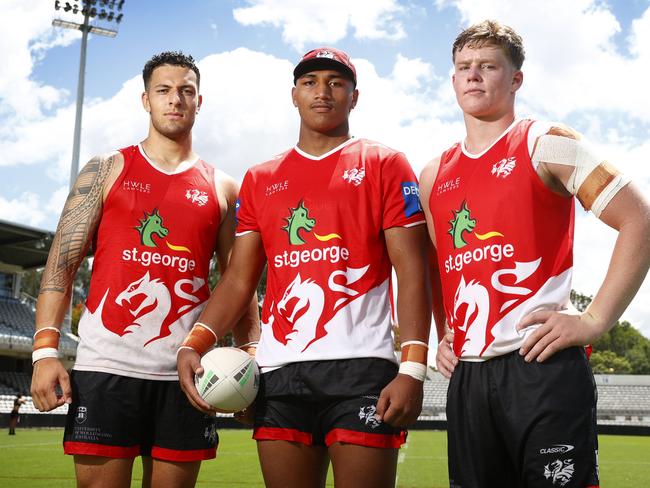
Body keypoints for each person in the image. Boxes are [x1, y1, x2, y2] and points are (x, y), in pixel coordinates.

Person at [177, 47, 431, 488]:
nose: (322, 92)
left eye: (336, 83)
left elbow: (412, 269)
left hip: (361, 369)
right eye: (310, 82)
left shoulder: (385, 164)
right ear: (293, 95)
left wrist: (411, 368)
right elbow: (239, 278)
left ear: (354, 97)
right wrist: (193, 343)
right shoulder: (259, 177)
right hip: (280, 375)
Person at [420, 20, 650, 488]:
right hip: (468, 379)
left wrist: (593, 320)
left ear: (516, 79)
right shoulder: (432, 173)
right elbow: (438, 260)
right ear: (452, 80)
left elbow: (639, 219)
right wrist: (444, 332)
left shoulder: (547, 142)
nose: (474, 76)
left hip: (540, 367)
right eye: (464, 67)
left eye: (488, 66)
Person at [30, 51, 259, 488]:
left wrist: (250, 355)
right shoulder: (106, 168)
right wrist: (45, 353)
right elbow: (63, 260)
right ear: (145, 100)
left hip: (187, 375)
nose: (175, 99)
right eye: (164, 90)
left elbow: (239, 283)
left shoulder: (223, 187)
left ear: (199, 101)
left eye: (186, 91)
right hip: (105, 368)